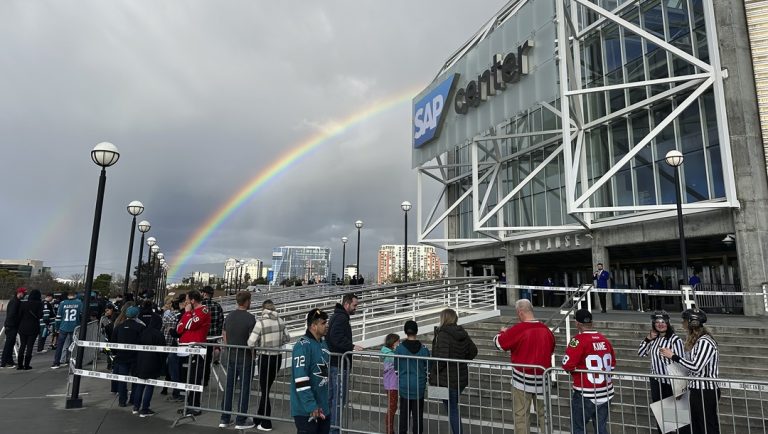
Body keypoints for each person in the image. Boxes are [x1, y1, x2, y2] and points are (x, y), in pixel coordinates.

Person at [493, 299, 555, 434]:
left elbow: (498, 344)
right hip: (542, 379)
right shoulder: (546, 330)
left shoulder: (518, 329)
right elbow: (551, 349)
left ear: (520, 312)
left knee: (521, 415)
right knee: (545, 416)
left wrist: (502, 333)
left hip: (522, 381)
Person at [661, 309, 720, 434]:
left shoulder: (705, 341)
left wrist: (673, 356)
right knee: (697, 424)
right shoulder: (697, 341)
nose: (682, 323)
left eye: (685, 321)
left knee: (707, 425)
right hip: (695, 389)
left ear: (692, 323)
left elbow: (696, 366)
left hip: (705, 390)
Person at [562, 309, 615, 434]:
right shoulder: (604, 339)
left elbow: (567, 365)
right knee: (601, 428)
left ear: (577, 323)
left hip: (585, 391)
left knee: (578, 428)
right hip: (605, 391)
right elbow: (612, 365)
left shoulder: (578, 340)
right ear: (591, 322)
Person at [638, 311, 687, 434]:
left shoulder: (675, 340)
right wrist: (648, 339)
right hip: (656, 381)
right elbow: (641, 353)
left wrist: (671, 356)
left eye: (663, 322)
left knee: (676, 418)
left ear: (668, 323)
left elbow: (681, 361)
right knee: (661, 416)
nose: (660, 324)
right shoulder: (654, 338)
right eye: (657, 322)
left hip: (670, 382)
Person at [430, 308, 478, 434]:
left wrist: (433, 372)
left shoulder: (443, 334)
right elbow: (474, 351)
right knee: (452, 407)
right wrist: (461, 360)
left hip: (446, 378)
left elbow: (442, 358)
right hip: (459, 378)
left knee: (452, 410)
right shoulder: (462, 332)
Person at [247, 298, 291, 431]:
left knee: (264, 389)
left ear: (263, 309)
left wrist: (260, 344)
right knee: (266, 387)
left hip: (265, 357)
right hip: (277, 358)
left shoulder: (260, 323)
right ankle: (259, 417)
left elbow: (251, 342)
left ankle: (266, 422)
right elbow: (287, 337)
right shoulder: (280, 321)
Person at [219, 292, 257, 430]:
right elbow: (252, 340)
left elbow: (224, 334)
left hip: (231, 355)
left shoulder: (229, 316)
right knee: (244, 388)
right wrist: (253, 355)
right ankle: (241, 419)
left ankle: (224, 418)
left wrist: (228, 347)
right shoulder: (251, 318)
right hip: (245, 357)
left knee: (229, 386)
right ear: (247, 302)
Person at [326, 293, 364, 434]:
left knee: (331, 398)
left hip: (334, 363)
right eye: (355, 305)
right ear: (347, 304)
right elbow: (336, 337)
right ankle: (334, 430)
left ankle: (329, 428)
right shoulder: (341, 317)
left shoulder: (337, 315)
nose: (356, 308)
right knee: (338, 400)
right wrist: (352, 346)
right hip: (339, 365)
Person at [290, 308, 331, 434]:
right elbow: (300, 379)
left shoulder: (323, 343)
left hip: (323, 407)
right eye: (323, 323)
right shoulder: (302, 346)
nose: (327, 325)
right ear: (313, 326)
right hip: (306, 411)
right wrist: (311, 405)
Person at [176, 289, 211, 415]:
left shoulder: (203, 310)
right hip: (184, 349)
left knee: (194, 379)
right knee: (186, 379)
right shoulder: (189, 312)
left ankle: (195, 406)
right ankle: (187, 405)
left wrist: (187, 315)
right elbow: (179, 328)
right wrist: (187, 316)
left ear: (192, 300)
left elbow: (191, 325)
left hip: (196, 349)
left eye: (186, 300)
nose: (185, 303)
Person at [395, 320, 429, 434]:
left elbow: (396, 368)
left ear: (405, 332)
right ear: (416, 331)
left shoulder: (399, 349)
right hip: (419, 387)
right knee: (418, 417)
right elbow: (428, 368)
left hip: (405, 386)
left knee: (404, 417)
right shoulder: (424, 349)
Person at [132, 314, 166, 417]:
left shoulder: (143, 332)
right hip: (153, 362)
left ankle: (136, 407)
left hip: (141, 361)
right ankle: (145, 409)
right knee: (150, 386)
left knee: (140, 385)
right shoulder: (159, 334)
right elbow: (162, 352)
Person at [113, 306, 145, 408]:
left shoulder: (119, 327)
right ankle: (133, 399)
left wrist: (115, 353)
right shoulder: (140, 327)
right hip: (135, 357)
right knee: (135, 379)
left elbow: (113, 342)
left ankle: (122, 400)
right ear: (137, 315)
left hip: (121, 356)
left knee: (122, 379)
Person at [52, 291, 83, 369]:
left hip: (63, 326)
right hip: (75, 327)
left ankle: (56, 362)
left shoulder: (63, 303)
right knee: (75, 345)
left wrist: (57, 327)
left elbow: (58, 317)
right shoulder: (79, 303)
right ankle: (75, 362)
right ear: (74, 295)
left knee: (60, 346)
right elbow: (82, 315)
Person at [201, 285, 224, 383]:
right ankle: (206, 379)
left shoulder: (199, 305)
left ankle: (198, 378)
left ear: (205, 293)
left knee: (199, 358)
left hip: (200, 337)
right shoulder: (217, 306)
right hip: (212, 337)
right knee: (208, 359)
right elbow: (221, 321)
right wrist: (217, 334)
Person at [17, 289, 43, 370]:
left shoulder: (23, 303)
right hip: (33, 327)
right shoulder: (39, 304)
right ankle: (26, 365)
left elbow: (19, 315)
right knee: (30, 346)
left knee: (22, 345)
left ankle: (19, 365)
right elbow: (40, 316)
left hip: (23, 327)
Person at [1, 287, 26, 368]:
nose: (24, 295)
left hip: (11, 325)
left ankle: (9, 361)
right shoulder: (15, 302)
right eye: (23, 293)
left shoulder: (15, 301)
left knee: (11, 344)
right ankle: (4, 362)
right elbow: (12, 315)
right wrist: (17, 322)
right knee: (8, 344)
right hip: (11, 326)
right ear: (19, 293)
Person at [381, 333, 400, 434]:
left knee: (392, 407)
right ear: (393, 343)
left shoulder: (388, 353)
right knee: (392, 407)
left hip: (391, 384)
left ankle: (390, 430)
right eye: (398, 341)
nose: (399, 343)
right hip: (392, 384)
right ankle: (389, 430)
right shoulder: (391, 355)